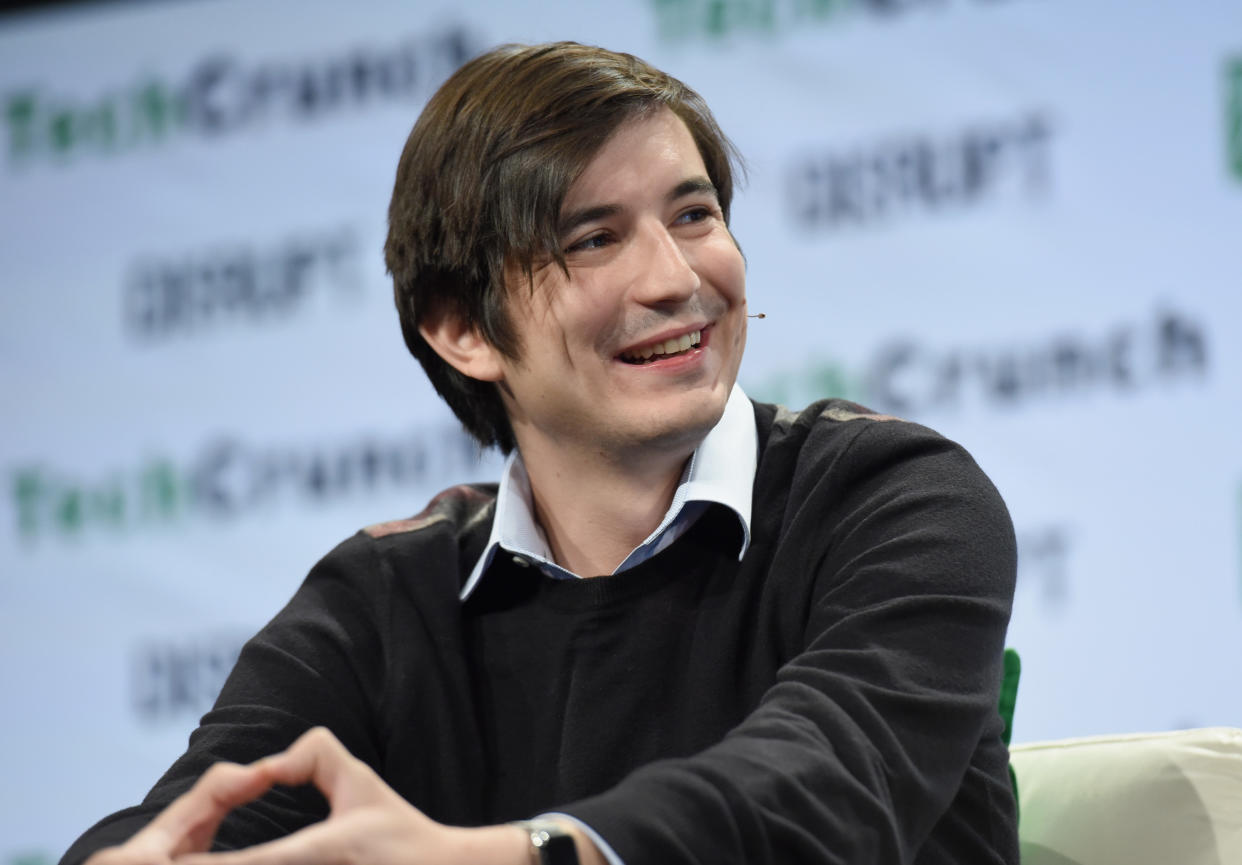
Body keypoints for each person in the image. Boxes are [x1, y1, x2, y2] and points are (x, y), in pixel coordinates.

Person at [63, 41, 1018, 865]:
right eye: (594, 239)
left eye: (693, 215)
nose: (677, 278)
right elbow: (190, 816)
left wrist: (520, 853)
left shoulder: (897, 498)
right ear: (461, 329)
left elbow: (828, 784)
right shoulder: (388, 597)